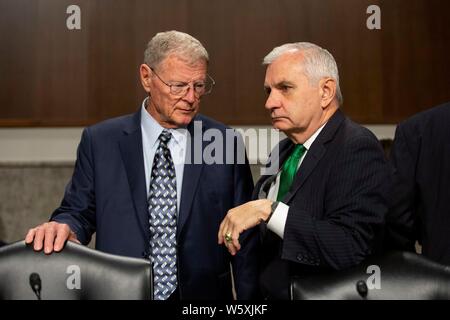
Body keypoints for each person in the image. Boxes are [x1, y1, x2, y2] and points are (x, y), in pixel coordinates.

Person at [25, 30, 259, 300]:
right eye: (178, 85)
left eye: (199, 85)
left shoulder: (223, 142)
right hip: (118, 291)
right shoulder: (101, 141)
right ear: (147, 77)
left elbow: (246, 240)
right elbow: (77, 212)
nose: (191, 97)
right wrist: (62, 226)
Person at [218, 42, 389, 299]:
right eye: (268, 90)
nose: (270, 103)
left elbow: (349, 246)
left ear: (325, 91)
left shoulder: (356, 146)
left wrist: (269, 210)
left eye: (285, 88)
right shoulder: (283, 150)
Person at [385, 102, 450, 265]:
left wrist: (417, 267)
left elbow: (397, 216)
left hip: (440, 274)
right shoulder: (415, 130)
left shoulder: (417, 129)